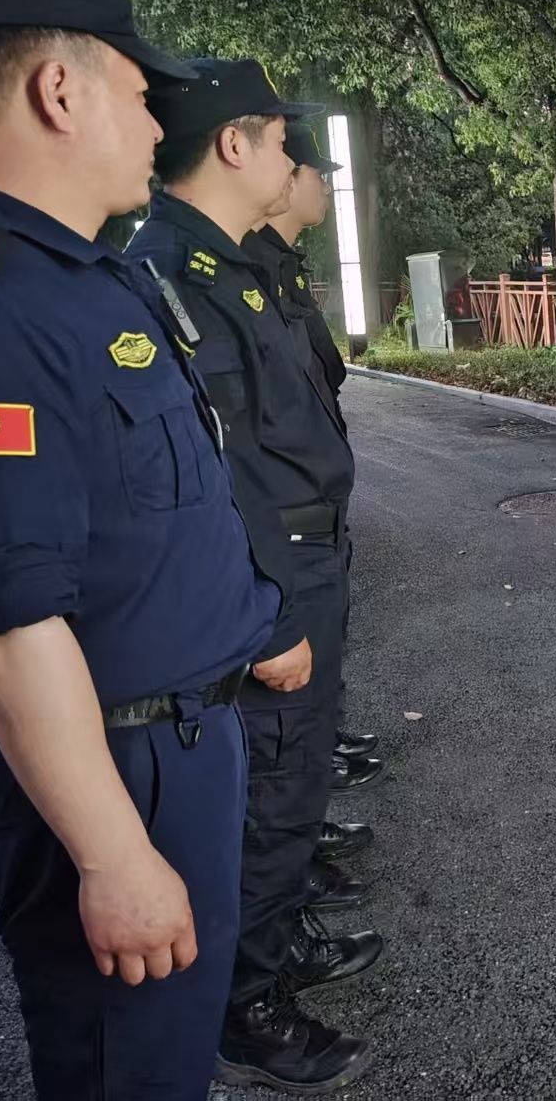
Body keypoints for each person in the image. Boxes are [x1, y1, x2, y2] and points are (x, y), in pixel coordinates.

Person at [0, 0, 288, 1098]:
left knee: (166, 1060)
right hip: (116, 773)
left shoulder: (78, 278)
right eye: (141, 96)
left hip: (177, 746)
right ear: (60, 89)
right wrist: (112, 854)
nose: (156, 127)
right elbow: (8, 627)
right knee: (124, 1071)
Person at [130, 61, 377, 1094]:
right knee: (274, 794)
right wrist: (268, 616)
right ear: (233, 144)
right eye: (278, 138)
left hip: (304, 560)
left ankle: (270, 955)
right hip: (274, 582)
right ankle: (247, 1004)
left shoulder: (228, 265)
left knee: (292, 780)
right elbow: (218, 471)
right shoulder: (174, 274)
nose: (290, 159)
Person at [247, 121, 377, 864]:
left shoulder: (280, 269)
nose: (324, 185)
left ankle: (305, 808)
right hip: (284, 525)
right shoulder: (238, 274)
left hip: (315, 512)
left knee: (311, 695)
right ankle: (284, 873)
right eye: (312, 171)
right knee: (281, 719)